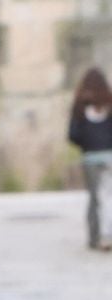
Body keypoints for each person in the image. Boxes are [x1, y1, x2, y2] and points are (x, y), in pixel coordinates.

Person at [69, 67, 112, 250]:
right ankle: (107, 235)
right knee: (109, 197)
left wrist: (86, 145)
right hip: (110, 157)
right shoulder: (109, 104)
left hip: (90, 159)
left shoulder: (79, 106)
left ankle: (95, 238)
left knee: (94, 199)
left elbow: (72, 134)